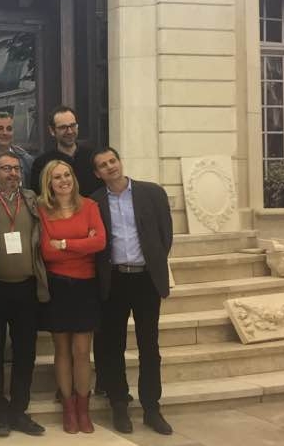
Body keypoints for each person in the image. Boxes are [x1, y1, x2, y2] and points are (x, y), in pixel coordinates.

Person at [90, 147, 174, 436]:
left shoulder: (152, 193)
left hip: (145, 279)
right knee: (112, 346)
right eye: (103, 165)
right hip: (113, 280)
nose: (110, 167)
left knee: (149, 346)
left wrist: (153, 263)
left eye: (112, 161)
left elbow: (165, 236)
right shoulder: (94, 202)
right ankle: (119, 404)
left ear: (120, 162)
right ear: (97, 173)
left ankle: (151, 408)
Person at [0, 151, 48, 437]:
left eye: (16, 168)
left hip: (26, 287)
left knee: (25, 352)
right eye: (6, 168)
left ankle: (19, 410)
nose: (13, 173)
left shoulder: (31, 198)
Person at [37, 160, 106, 434]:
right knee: (62, 350)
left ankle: (83, 408)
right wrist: (82, 244)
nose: (64, 180)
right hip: (57, 287)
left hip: (85, 286)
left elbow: (99, 242)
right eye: (57, 177)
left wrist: (64, 244)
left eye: (67, 175)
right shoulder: (42, 210)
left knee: (82, 351)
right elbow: (46, 251)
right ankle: (68, 408)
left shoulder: (89, 206)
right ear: (49, 183)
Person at [30, 106, 102, 197]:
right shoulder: (41, 164)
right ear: (52, 130)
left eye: (72, 125)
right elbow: (39, 197)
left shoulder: (93, 157)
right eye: (63, 127)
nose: (69, 131)